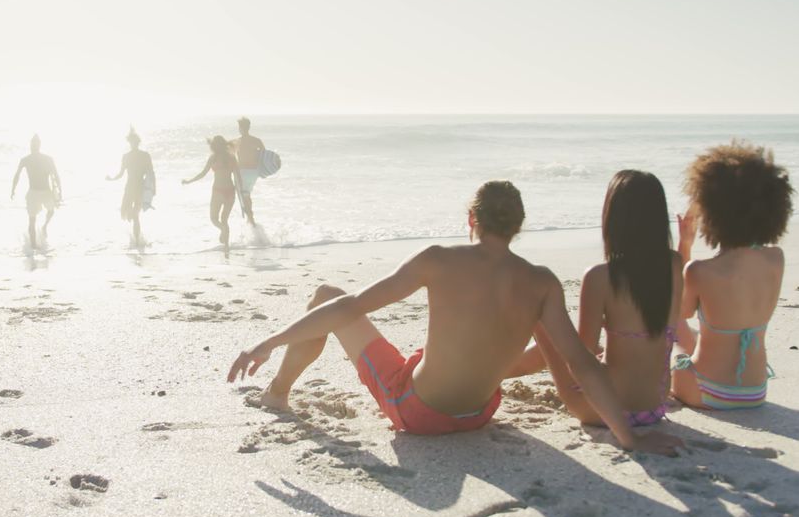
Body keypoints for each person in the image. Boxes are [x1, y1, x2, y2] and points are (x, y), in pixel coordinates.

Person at [227, 181, 682, 455]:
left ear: (471, 218)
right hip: (481, 412)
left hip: (419, 415)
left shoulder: (437, 260)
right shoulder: (541, 281)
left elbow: (350, 307)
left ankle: (277, 395)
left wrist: (270, 340)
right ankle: (284, 391)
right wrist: (629, 438)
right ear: (518, 225)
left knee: (328, 294)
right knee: (440, 349)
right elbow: (583, 362)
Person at [509, 171, 682, 427]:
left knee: (542, 318)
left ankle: (496, 373)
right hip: (655, 406)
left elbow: (581, 358)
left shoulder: (601, 277)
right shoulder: (675, 264)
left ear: (613, 218)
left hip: (603, 411)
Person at [670, 141, 793, 410]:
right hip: (755, 390)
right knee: (700, 333)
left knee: (677, 334)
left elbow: (678, 310)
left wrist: (686, 245)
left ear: (712, 214)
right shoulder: (776, 259)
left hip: (706, 389)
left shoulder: (701, 270)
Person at [182, 136, 242, 248]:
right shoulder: (232, 157)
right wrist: (242, 192)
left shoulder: (213, 158)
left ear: (214, 146)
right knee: (224, 219)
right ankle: (226, 246)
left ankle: (223, 231)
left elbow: (202, 174)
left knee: (214, 219)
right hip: (230, 192)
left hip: (218, 191)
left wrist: (189, 181)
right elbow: (238, 177)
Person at [10, 134, 62, 251]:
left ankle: (44, 226)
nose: (33, 146)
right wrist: (13, 189)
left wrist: (60, 191)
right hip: (33, 192)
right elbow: (17, 175)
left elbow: (56, 175)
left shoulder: (48, 159)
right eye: (32, 144)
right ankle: (33, 247)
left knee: (51, 211)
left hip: (46, 192)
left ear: (39, 145)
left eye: (35, 144)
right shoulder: (25, 160)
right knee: (31, 219)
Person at [108, 127, 155, 246]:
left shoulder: (145, 155)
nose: (133, 144)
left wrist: (153, 188)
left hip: (140, 187)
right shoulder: (126, 156)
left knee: (135, 215)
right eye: (131, 142)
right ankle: (138, 241)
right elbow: (121, 173)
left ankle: (138, 242)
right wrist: (112, 178)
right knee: (127, 214)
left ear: (138, 142)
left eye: (135, 142)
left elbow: (151, 172)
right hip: (129, 188)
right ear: (129, 142)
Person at [231, 117, 264, 226]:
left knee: (243, 195)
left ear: (240, 128)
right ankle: (250, 217)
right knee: (247, 194)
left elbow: (230, 155)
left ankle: (251, 219)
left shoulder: (237, 141)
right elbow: (264, 155)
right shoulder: (256, 140)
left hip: (242, 172)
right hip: (254, 172)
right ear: (249, 127)